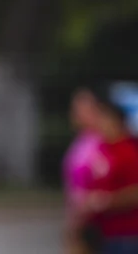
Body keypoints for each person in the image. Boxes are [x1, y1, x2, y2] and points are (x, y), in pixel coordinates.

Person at [71, 81, 138, 254]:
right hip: (102, 233)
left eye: (104, 118)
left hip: (126, 234)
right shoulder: (101, 149)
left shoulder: (129, 151)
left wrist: (106, 201)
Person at [63, 88, 105, 253]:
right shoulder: (82, 141)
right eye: (75, 109)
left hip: (94, 221)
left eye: (83, 109)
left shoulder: (103, 141)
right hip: (76, 217)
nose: (77, 114)